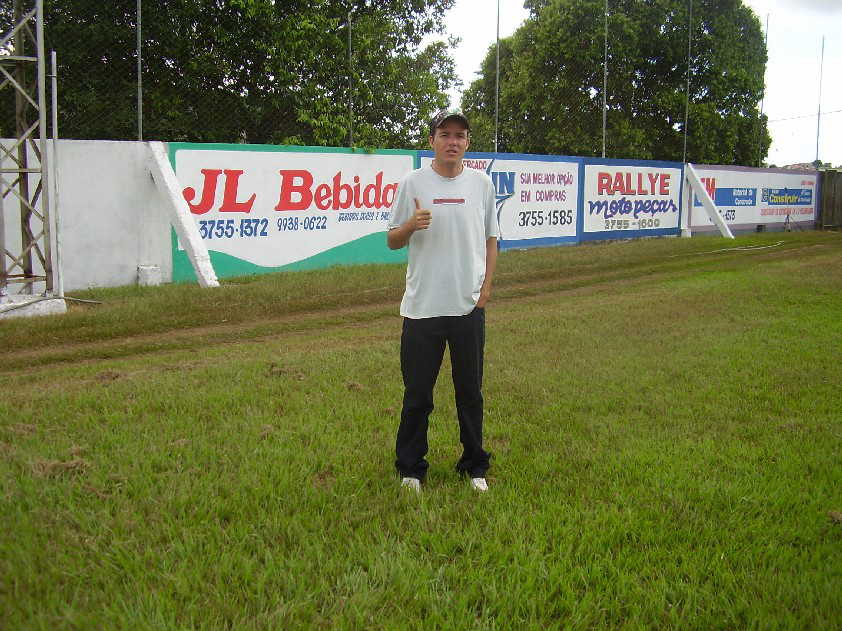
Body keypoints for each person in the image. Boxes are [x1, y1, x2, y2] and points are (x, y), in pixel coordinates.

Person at [386, 108, 499, 493]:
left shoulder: (481, 183)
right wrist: (410, 225)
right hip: (422, 308)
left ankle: (475, 467)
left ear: (467, 143)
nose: (453, 141)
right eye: (445, 134)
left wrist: (484, 292)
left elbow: (491, 239)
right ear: (432, 140)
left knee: (470, 392)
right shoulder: (412, 182)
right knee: (418, 394)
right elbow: (391, 240)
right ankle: (411, 469)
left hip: (468, 307)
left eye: (460, 135)